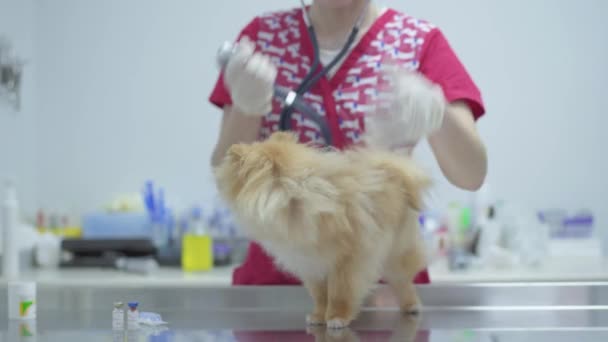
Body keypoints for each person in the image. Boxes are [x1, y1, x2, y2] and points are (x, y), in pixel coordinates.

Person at [209, 0, 487, 286]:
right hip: (281, 282)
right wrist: (247, 107)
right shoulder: (263, 39)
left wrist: (437, 113)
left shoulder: (418, 41)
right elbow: (224, 175)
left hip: (381, 281)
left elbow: (471, 175)